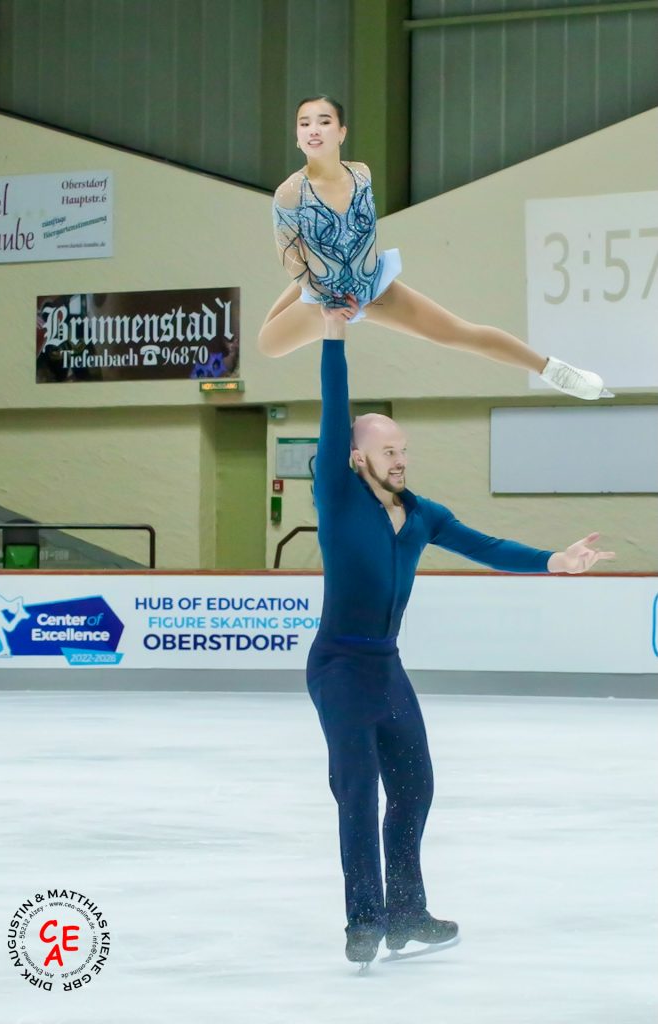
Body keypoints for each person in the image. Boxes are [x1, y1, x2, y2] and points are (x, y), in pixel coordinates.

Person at [308, 300, 615, 966]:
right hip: (336, 665)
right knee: (357, 791)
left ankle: (406, 912)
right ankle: (363, 919)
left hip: (384, 664)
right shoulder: (336, 492)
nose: (400, 458)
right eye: (387, 450)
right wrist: (333, 334)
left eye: (404, 450)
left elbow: (489, 545)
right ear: (356, 457)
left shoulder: (421, 514)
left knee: (413, 787)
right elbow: (336, 409)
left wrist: (554, 562)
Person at [259, 96, 611, 401]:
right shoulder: (290, 193)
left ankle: (554, 370)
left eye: (324, 121)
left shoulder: (361, 174)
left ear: (342, 132)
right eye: (304, 124)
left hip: (372, 285)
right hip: (325, 298)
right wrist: (328, 299)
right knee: (267, 345)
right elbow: (289, 259)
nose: (314, 130)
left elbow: (366, 235)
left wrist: (352, 280)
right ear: (297, 136)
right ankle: (321, 269)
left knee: (458, 332)